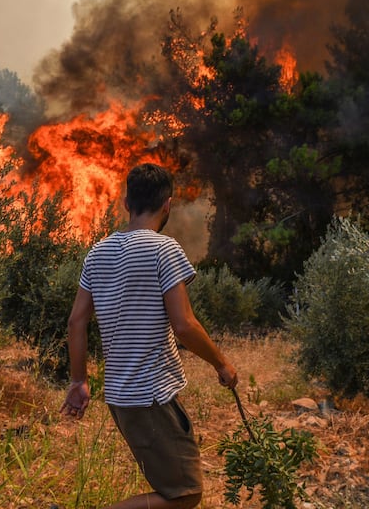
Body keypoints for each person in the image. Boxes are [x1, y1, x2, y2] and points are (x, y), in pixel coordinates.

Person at [61, 162, 238, 509]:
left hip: (120, 397)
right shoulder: (164, 249)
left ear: (126, 204)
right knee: (185, 494)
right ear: (167, 204)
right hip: (152, 397)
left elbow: (75, 323)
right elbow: (184, 324)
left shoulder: (97, 253)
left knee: (172, 489)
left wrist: (79, 380)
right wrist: (222, 363)